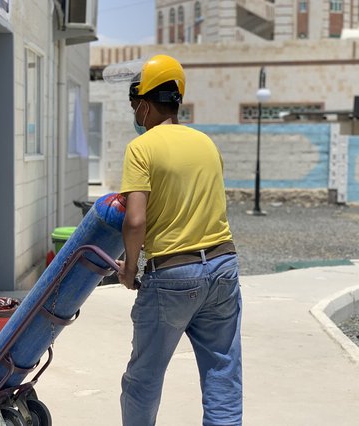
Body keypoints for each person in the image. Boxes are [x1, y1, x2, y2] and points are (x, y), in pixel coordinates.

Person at [116, 54, 242, 426]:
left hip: (171, 274)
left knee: (143, 380)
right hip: (223, 267)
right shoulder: (206, 144)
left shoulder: (141, 148)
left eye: (134, 104)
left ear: (144, 101)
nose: (135, 113)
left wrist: (128, 267)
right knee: (223, 373)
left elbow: (135, 220)